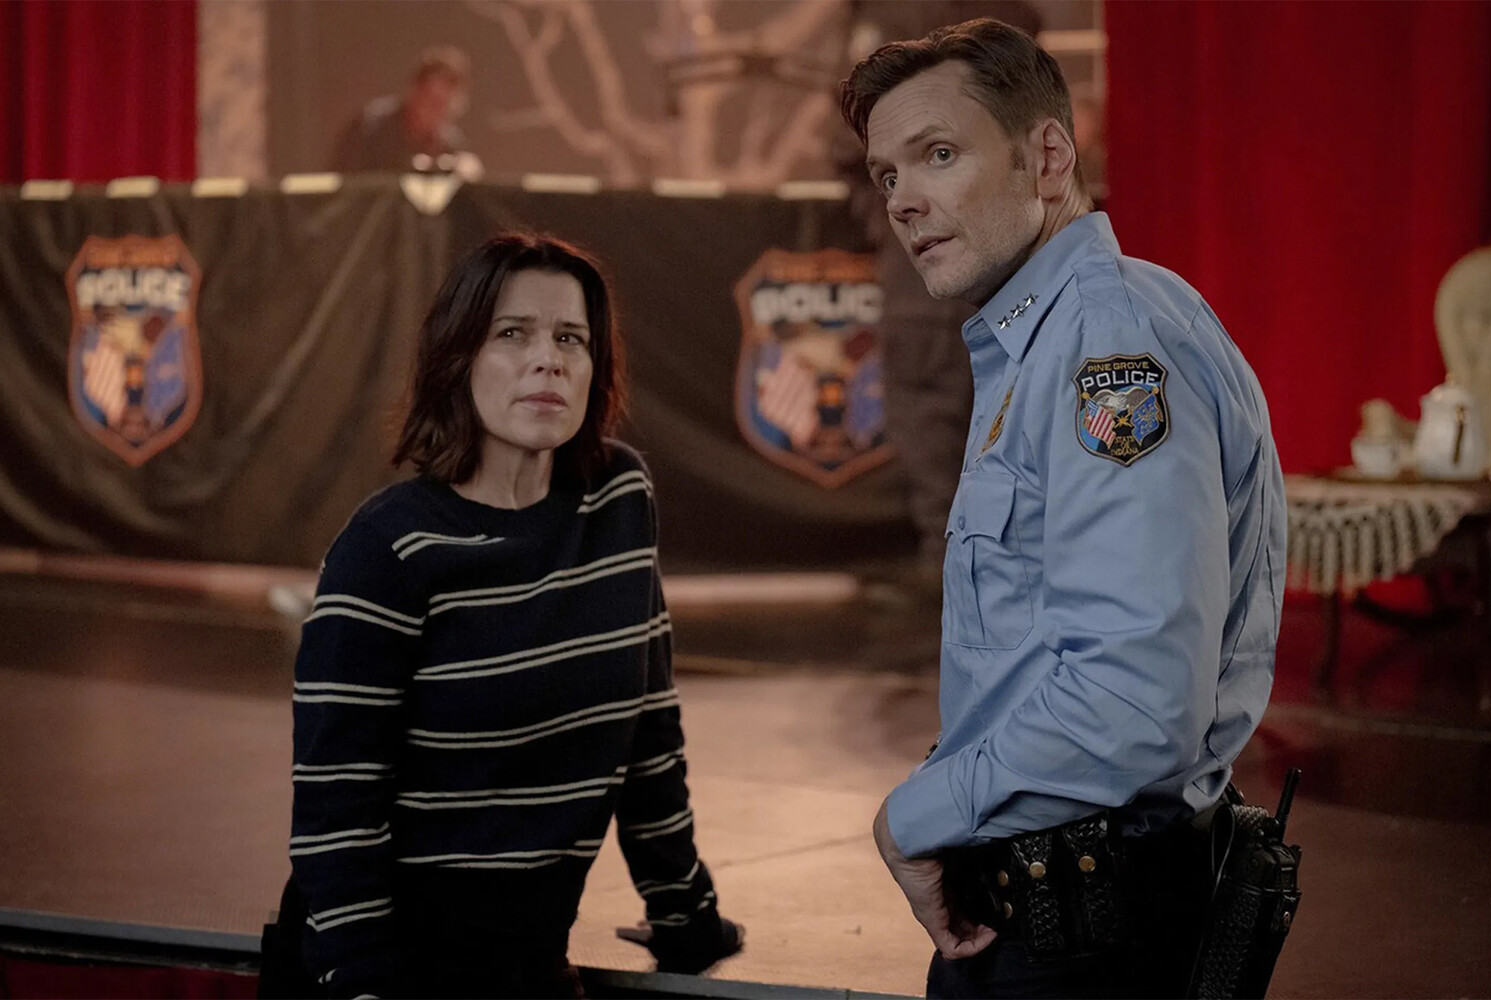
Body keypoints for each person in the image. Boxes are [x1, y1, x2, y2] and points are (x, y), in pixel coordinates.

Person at [839, 19, 1286, 999]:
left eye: (939, 154)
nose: (903, 198)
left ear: (1046, 156)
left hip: (1084, 939)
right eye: (886, 174)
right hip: (1051, 906)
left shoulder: (1104, 350)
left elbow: (1135, 699)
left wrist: (916, 815)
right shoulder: (1055, 337)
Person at [282, 234, 740, 998]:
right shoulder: (388, 547)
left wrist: (684, 911)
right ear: (457, 358)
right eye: (512, 334)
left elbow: (649, 734)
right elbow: (337, 812)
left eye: (571, 339)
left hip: (530, 964)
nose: (548, 361)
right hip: (389, 966)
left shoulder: (619, 500)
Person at [838, 2, 1043, 596]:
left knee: (925, 398)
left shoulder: (895, 14)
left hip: (931, 256)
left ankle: (951, 562)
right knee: (1007, 406)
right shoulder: (1013, 16)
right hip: (1014, 251)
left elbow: (852, 134)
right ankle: (993, 563)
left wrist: (886, 209)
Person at [332, 45, 482, 179]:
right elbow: (342, 185)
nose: (439, 113)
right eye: (433, 102)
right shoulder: (370, 129)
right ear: (414, 93)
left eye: (447, 106)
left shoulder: (451, 145)